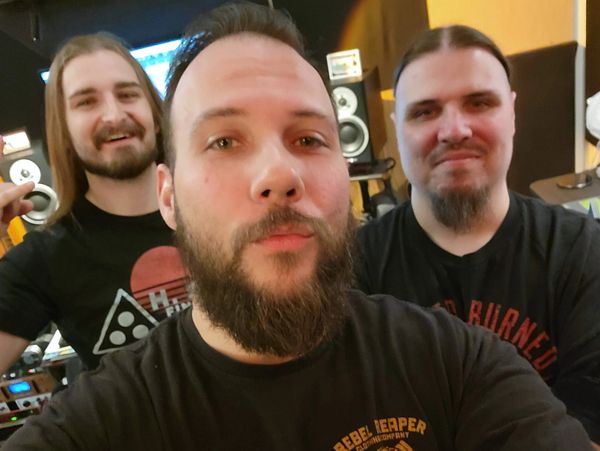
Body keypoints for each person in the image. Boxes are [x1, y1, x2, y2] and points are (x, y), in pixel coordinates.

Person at [4, 3, 594, 450]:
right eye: (224, 141)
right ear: (168, 196)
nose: (279, 174)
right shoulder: (103, 421)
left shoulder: (456, 364)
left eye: (308, 139)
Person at [355, 24, 600, 445]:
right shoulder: (352, 269)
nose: (454, 130)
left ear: (512, 113)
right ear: (397, 128)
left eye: (479, 103)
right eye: (425, 111)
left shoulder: (584, 253)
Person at [0, 32, 189, 373]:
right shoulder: (46, 257)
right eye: (86, 102)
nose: (114, 115)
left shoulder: (223, 208)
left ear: (154, 112)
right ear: (64, 131)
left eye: (127, 94)